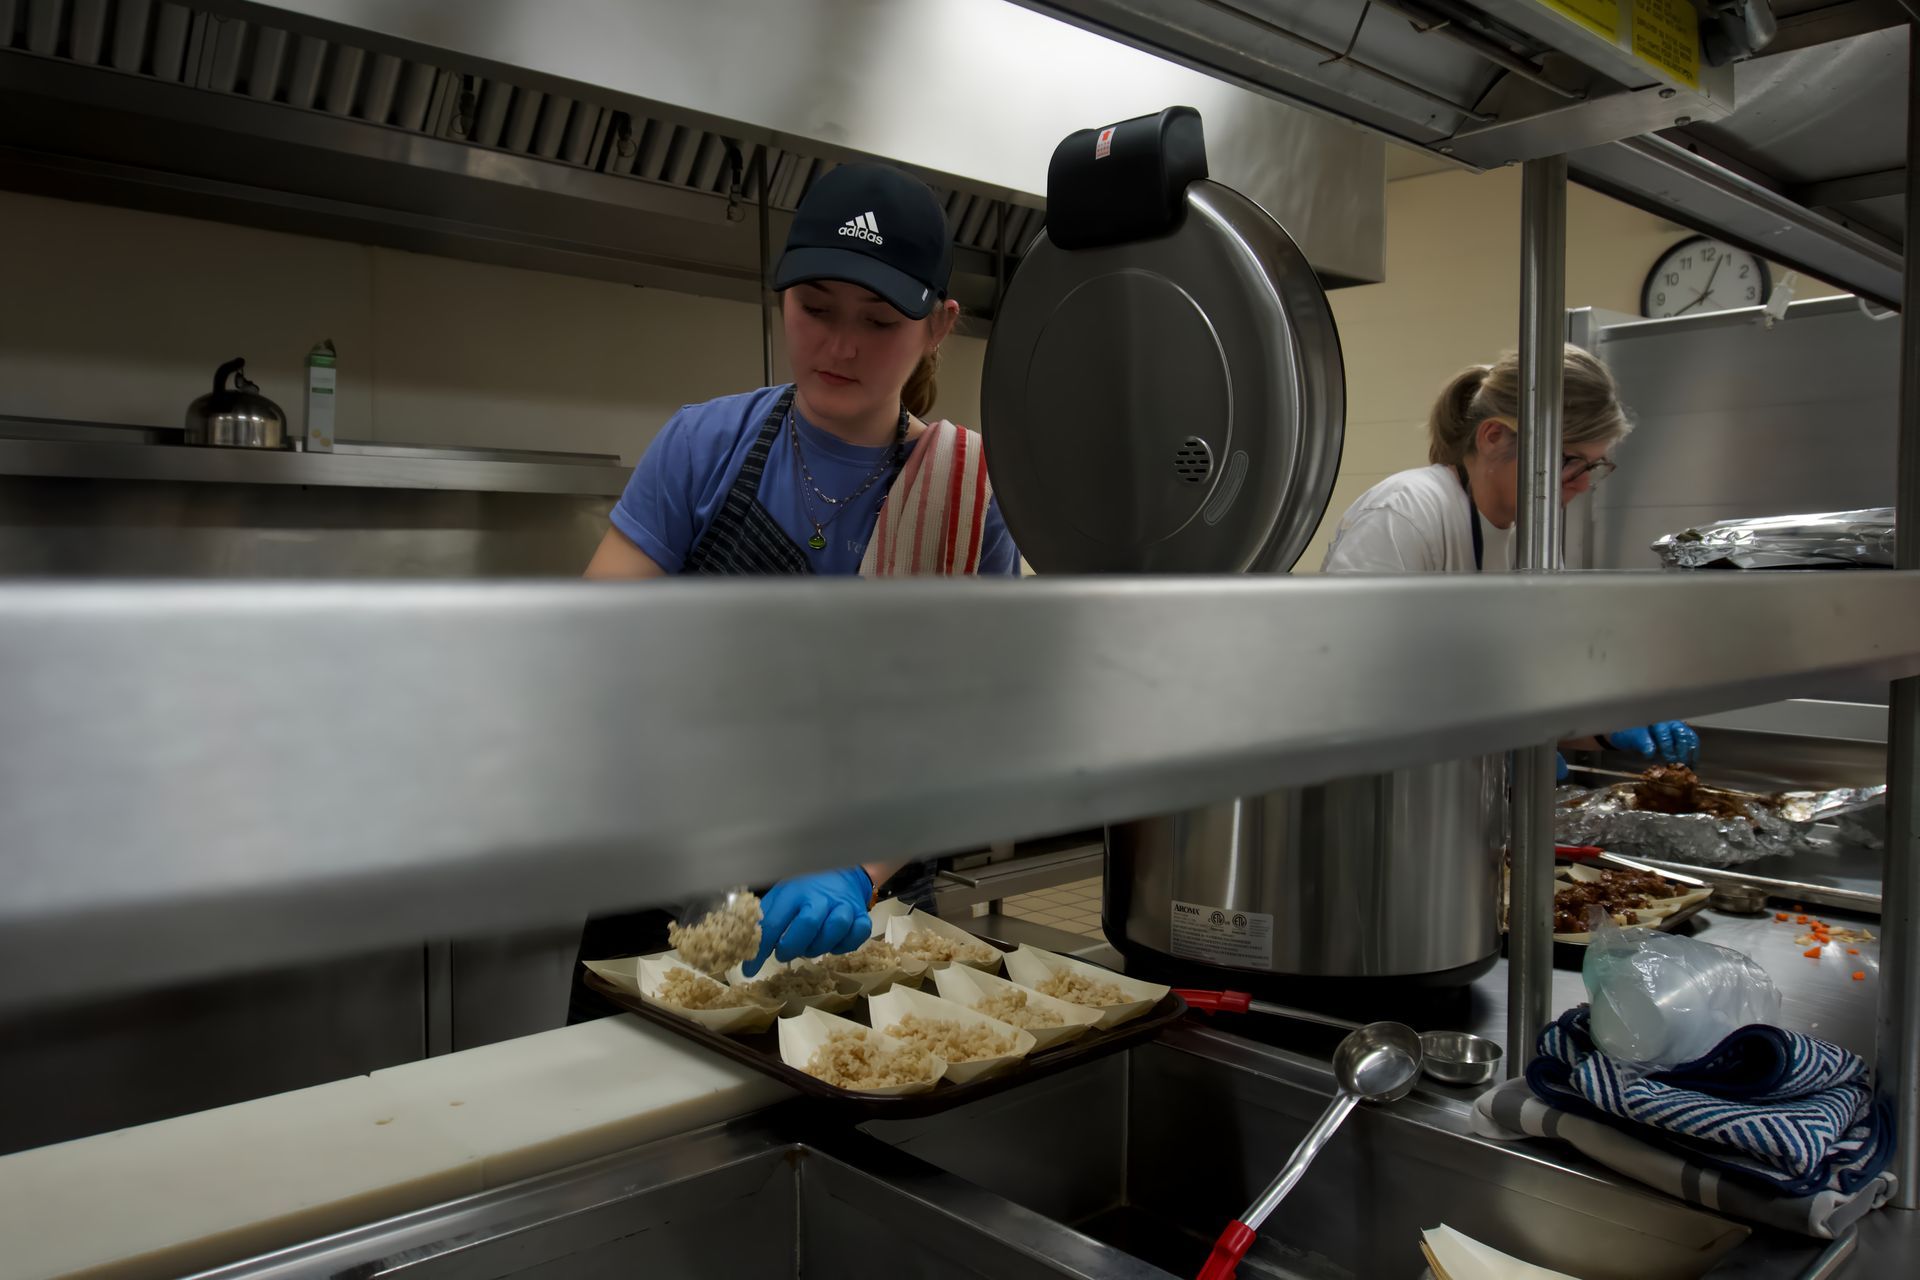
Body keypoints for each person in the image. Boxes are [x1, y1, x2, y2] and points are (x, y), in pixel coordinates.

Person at [582, 162, 1021, 979]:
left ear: (937, 326)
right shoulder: (703, 447)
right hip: (667, 889)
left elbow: (963, 731)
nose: (839, 345)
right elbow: (593, 657)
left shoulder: (965, 501)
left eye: (879, 320)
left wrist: (855, 868)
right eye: (815, 308)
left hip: (857, 908)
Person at [1321, 347, 1698, 771]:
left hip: (1471, 800)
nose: (1583, 485)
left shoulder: (1531, 537)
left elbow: (1536, 691)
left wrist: (1610, 728)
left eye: (1595, 466)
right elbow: (1352, 688)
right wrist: (1496, 740)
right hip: (1386, 804)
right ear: (1494, 437)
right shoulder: (1405, 513)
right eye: (1570, 461)